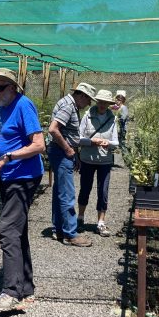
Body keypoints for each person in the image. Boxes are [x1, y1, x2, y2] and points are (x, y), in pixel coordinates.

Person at [0, 68, 46, 312]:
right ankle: (25, 286)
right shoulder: (3, 106)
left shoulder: (23, 105)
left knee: (7, 229)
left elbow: (39, 145)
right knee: (18, 230)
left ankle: (10, 293)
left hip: (23, 176)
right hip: (9, 175)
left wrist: (8, 157)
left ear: (12, 88)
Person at [47, 82, 96, 247]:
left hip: (60, 152)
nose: (88, 104)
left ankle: (59, 229)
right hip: (61, 153)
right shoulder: (69, 106)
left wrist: (74, 153)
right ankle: (70, 234)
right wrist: (68, 149)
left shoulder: (68, 104)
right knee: (67, 193)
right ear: (81, 95)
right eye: (88, 100)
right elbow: (53, 129)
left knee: (60, 191)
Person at [77, 90, 120, 237]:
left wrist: (108, 143)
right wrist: (91, 141)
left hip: (105, 161)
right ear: (97, 102)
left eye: (105, 103)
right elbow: (78, 138)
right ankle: (80, 218)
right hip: (87, 159)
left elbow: (116, 142)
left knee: (103, 191)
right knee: (85, 189)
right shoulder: (87, 116)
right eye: (100, 102)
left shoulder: (112, 119)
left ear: (109, 104)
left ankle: (101, 223)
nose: (102, 105)